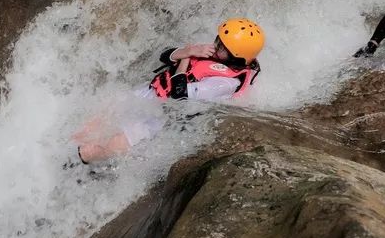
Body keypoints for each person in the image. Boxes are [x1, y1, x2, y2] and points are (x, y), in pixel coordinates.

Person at [76, 18, 263, 163]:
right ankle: (65, 150)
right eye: (218, 40)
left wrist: (187, 57)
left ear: (237, 58)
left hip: (162, 116)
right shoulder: (216, 55)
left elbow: (179, 93)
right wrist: (186, 51)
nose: (216, 47)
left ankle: (79, 166)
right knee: (97, 118)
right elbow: (165, 55)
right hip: (150, 95)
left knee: (94, 150)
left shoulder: (225, 83)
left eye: (223, 47)